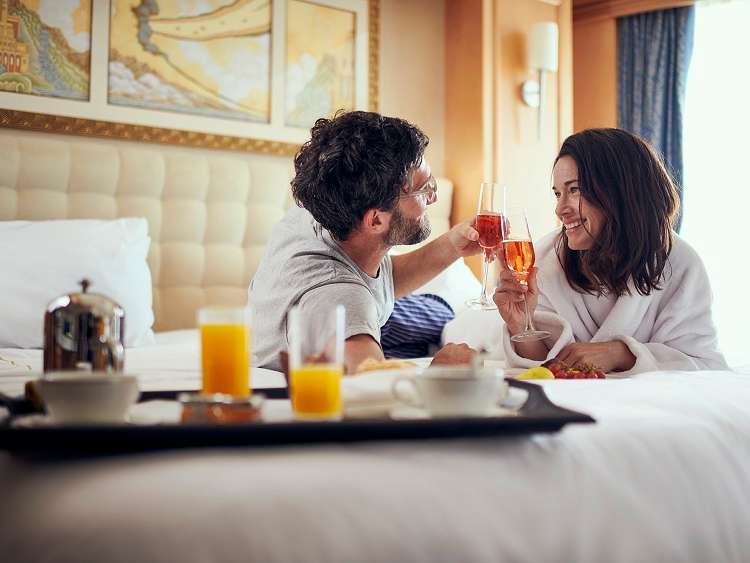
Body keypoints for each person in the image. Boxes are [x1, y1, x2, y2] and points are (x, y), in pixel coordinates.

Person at [250, 111, 479, 373]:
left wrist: (453, 245)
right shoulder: (341, 300)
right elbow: (375, 396)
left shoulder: (313, 213)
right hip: (295, 405)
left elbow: (381, 279)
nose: (433, 198)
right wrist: (442, 373)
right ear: (375, 221)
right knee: (439, 317)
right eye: (424, 189)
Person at [493, 128, 727, 374]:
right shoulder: (546, 261)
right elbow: (546, 370)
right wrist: (521, 326)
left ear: (620, 191)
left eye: (575, 190)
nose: (560, 209)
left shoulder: (680, 264)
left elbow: (705, 366)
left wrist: (621, 353)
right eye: (557, 194)